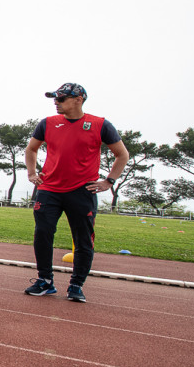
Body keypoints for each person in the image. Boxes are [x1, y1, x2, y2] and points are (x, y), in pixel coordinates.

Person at [23, 83, 128, 303]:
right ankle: (45, 281)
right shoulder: (47, 123)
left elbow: (122, 155)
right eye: (55, 99)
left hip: (82, 191)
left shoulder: (100, 125)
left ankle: (76, 285)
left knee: (83, 241)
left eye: (60, 99)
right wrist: (32, 173)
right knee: (42, 233)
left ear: (78, 99)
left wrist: (109, 181)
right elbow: (31, 148)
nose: (56, 103)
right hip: (49, 189)